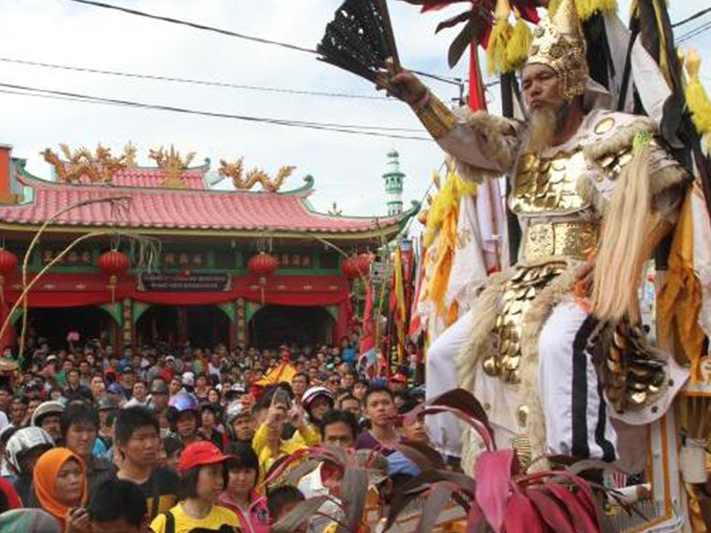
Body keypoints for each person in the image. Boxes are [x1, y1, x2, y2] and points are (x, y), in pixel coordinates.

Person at [386, 0, 689, 465]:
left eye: (542, 78)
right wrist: (420, 99)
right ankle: (456, 458)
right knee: (446, 351)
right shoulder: (525, 145)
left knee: (556, 345)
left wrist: (612, 267)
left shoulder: (614, 133)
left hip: (587, 283)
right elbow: (466, 139)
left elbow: (666, 201)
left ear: (570, 80)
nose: (531, 90)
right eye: (526, 82)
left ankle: (579, 463)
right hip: (520, 283)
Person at [149, 441, 240, 533]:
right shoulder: (164, 524)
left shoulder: (229, 519)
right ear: (192, 476)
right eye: (213, 473)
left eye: (222, 473)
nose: (220, 481)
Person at [114, 406, 180, 521]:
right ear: (121, 445)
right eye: (140, 438)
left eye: (153, 436)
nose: (149, 445)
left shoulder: (171, 480)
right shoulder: (109, 487)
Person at [60, 403, 116, 499]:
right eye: (78, 431)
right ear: (65, 433)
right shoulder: (50, 471)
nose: (85, 437)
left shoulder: (109, 471)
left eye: (90, 430)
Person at [32, 447, 88, 531]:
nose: (74, 480)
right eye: (63, 475)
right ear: (47, 481)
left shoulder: (94, 510)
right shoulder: (36, 524)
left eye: (78, 472)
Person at [219, 443, 270, 533]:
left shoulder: (265, 504)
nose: (242, 478)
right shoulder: (217, 506)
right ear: (224, 473)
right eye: (235, 472)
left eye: (248, 471)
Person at [3, 427, 54, 505]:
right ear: (20, 462)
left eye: (41, 454)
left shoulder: (63, 479)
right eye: (31, 457)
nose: (38, 460)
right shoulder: (15, 491)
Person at [356, 385, 397, 453]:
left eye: (386, 403)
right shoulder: (360, 443)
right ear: (366, 412)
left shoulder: (408, 441)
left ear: (395, 408)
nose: (381, 408)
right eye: (374, 405)